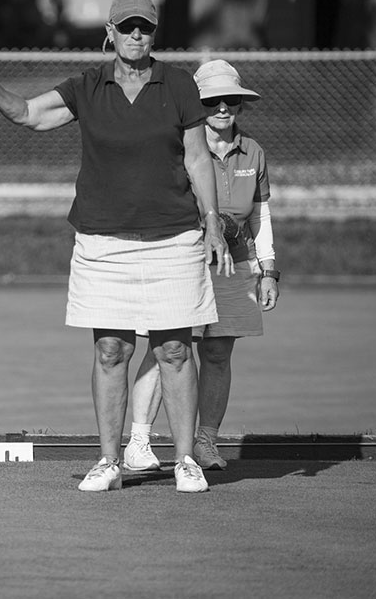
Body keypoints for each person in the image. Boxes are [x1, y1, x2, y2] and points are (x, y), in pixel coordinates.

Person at [0, 0, 233, 493]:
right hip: (103, 241)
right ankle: (109, 461)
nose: (136, 35)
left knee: (173, 350)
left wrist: (212, 221)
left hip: (173, 238)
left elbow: (196, 158)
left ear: (155, 32)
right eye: (127, 27)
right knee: (110, 350)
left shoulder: (179, 84)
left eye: (145, 27)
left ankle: (186, 460)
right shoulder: (88, 85)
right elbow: (30, 114)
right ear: (110, 32)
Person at [124, 59, 280, 471]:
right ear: (198, 105)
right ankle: (138, 442)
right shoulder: (179, 148)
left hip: (236, 265)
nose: (223, 107)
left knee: (218, 353)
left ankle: (205, 442)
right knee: (166, 348)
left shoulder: (254, 152)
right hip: (182, 260)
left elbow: (260, 215)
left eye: (231, 100)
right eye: (212, 101)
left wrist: (268, 270)